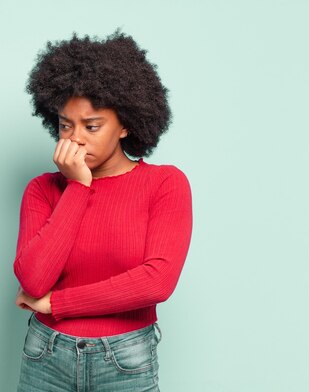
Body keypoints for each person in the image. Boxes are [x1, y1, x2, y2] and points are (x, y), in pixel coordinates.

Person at [13, 29, 193, 391]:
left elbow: (156, 281)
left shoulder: (165, 184)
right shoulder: (43, 189)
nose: (75, 138)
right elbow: (33, 280)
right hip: (45, 355)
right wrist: (78, 187)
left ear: (125, 124)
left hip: (125, 359)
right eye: (66, 125)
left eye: (91, 126)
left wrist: (58, 304)